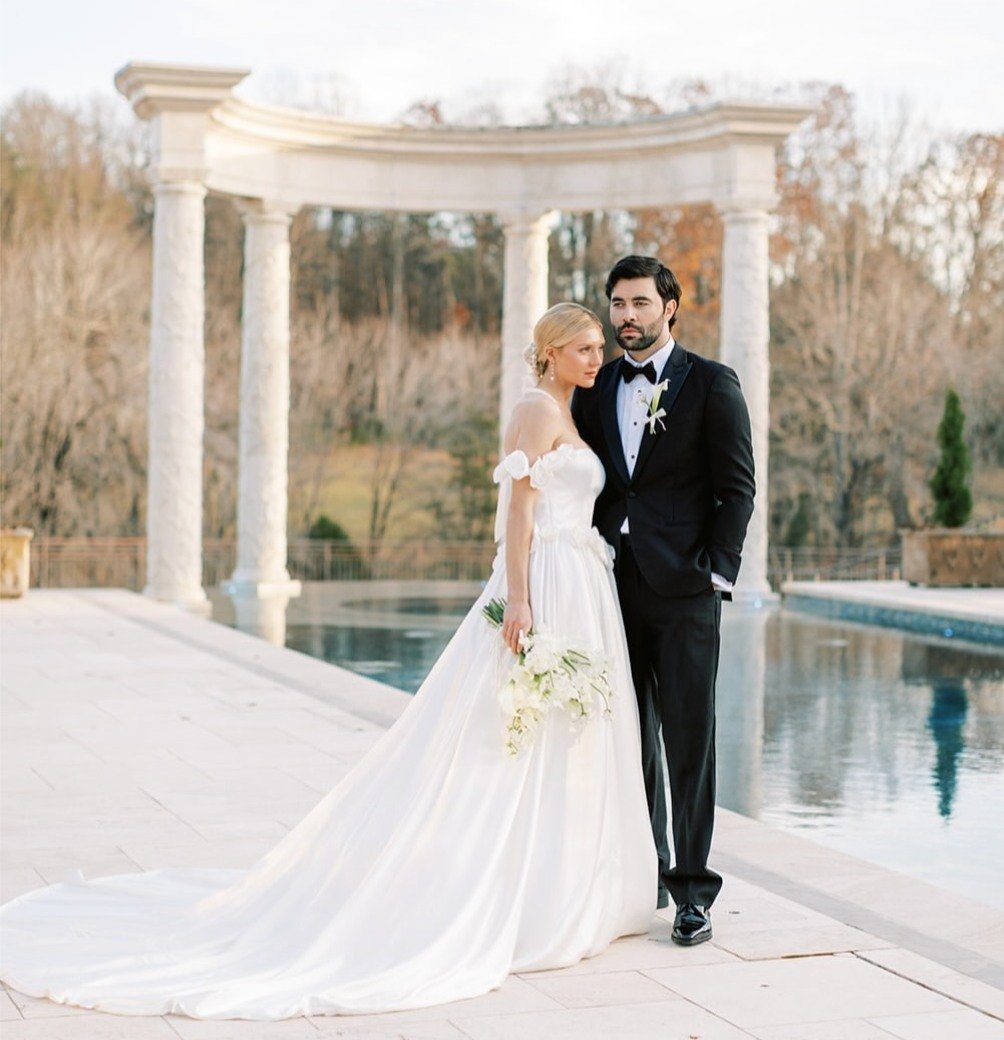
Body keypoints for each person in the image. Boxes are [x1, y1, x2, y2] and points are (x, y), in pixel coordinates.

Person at [0, 302, 658, 1021]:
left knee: (559, 736)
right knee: (512, 735)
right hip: (549, 583)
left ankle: (565, 882)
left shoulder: (570, 410)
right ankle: (515, 891)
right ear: (553, 352)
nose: (597, 358)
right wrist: (522, 602)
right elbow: (520, 512)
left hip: (583, 584)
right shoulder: (537, 410)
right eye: (585, 347)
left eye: (599, 347)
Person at [572, 256, 755, 947]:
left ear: (670, 307)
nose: (627, 317)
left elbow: (737, 487)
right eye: (618, 304)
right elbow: (598, 482)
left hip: (685, 593)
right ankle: (644, 870)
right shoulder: (597, 388)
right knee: (630, 741)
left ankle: (692, 891)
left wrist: (717, 572)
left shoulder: (710, 384)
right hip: (611, 588)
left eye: (641, 303)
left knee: (688, 743)